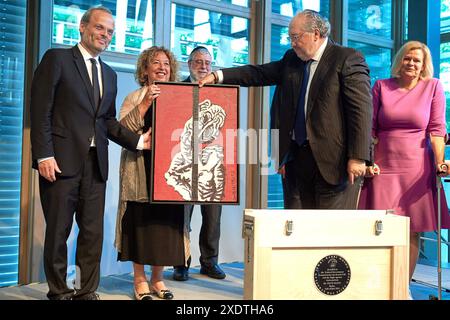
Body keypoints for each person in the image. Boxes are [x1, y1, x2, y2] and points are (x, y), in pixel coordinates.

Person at [30, 6, 150, 300]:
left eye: (110, 31)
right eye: (100, 28)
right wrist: (44, 155)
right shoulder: (57, 59)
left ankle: (85, 291)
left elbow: (106, 121)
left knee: (92, 234)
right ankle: (59, 291)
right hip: (59, 162)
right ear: (82, 28)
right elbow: (40, 110)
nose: (105, 35)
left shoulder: (108, 75)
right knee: (59, 231)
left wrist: (136, 142)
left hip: (96, 165)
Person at [200, 10, 372, 209]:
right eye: (290, 38)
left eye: (296, 37)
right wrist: (218, 76)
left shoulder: (346, 58)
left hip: (333, 163)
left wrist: (358, 157)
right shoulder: (292, 59)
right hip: (296, 161)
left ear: (316, 34)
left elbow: (361, 110)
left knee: (327, 233)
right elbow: (258, 73)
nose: (292, 43)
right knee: (297, 231)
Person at [358, 41, 450, 288]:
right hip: (383, 164)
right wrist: (367, 161)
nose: (411, 63)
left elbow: (437, 129)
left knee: (412, 229)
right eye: (407, 58)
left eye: (417, 60)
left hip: (417, 166)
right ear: (400, 60)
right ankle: (377, 286)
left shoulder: (433, 87)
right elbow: (370, 128)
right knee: (379, 227)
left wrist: (440, 163)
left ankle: (402, 288)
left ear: (423, 65)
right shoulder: (381, 86)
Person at [115, 46, 187, 300]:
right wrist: (145, 103)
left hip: (172, 175)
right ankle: (139, 280)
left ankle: (158, 280)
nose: (162, 67)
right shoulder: (134, 96)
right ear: (145, 70)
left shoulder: (181, 96)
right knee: (141, 225)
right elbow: (122, 130)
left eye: (166, 63)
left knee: (165, 227)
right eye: (155, 63)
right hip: (140, 171)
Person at [172, 46, 226, 282]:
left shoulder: (223, 93)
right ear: (189, 64)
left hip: (212, 161)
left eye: (207, 62)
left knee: (212, 217)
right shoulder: (176, 90)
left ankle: (209, 262)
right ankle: (181, 263)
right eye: (198, 62)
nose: (203, 67)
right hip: (184, 159)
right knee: (182, 217)